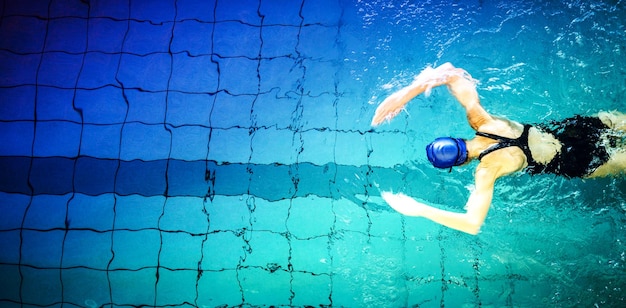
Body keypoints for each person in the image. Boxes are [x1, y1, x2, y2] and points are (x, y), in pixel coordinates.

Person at [371, 62, 626, 235]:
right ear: (456, 139)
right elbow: (451, 73)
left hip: (573, 162)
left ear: (457, 165)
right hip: (571, 130)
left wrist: (418, 210)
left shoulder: (486, 169)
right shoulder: (482, 122)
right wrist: (405, 94)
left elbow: (472, 224)